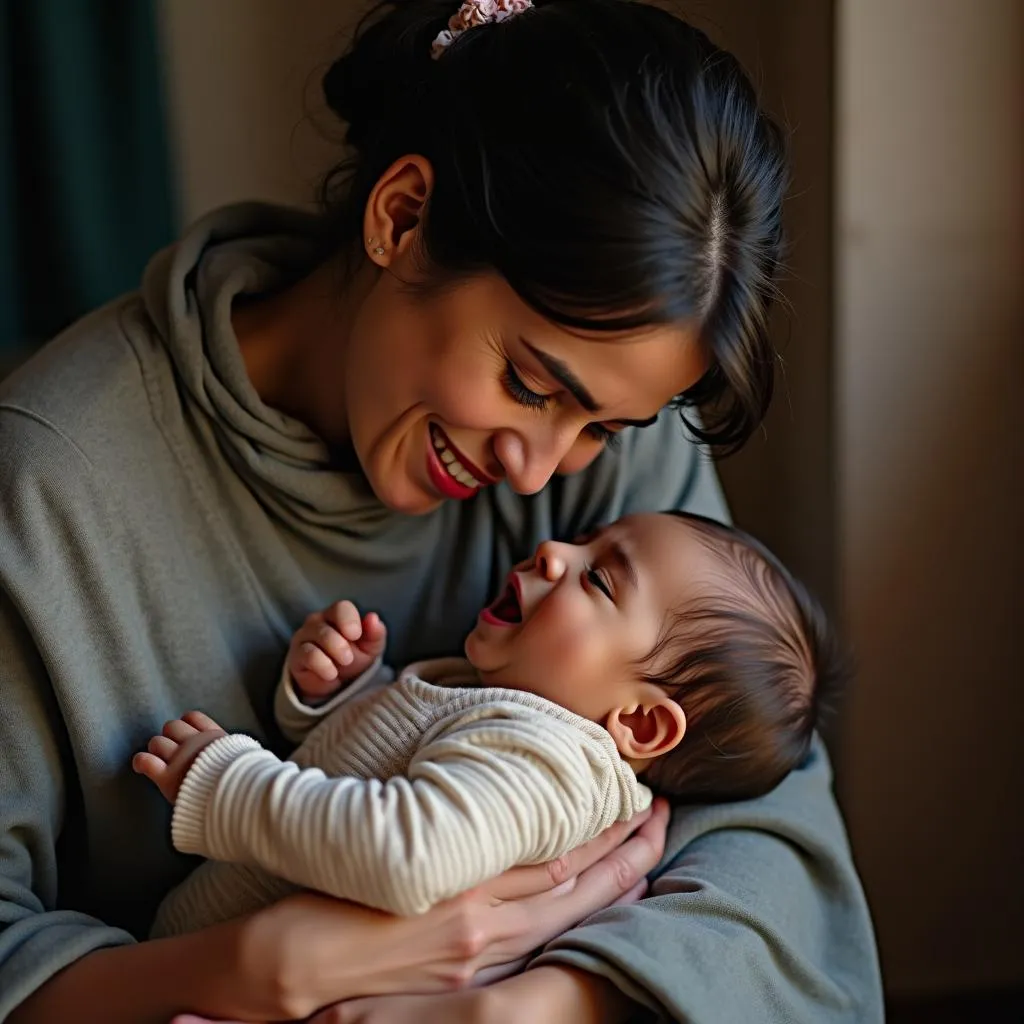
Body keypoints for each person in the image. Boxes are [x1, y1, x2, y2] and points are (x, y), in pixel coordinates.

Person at [0, 1, 882, 1022]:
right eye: (528, 382)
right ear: (402, 217)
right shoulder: (44, 488)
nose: (538, 474)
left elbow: (769, 835)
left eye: (600, 426)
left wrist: (539, 1004)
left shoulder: (608, 490)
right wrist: (265, 966)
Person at [137, 510, 844, 933]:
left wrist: (228, 784)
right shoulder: (507, 711)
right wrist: (342, 693)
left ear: (641, 724)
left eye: (598, 578)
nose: (554, 551)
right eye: (587, 540)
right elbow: (387, 769)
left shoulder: (552, 765)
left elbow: (406, 853)